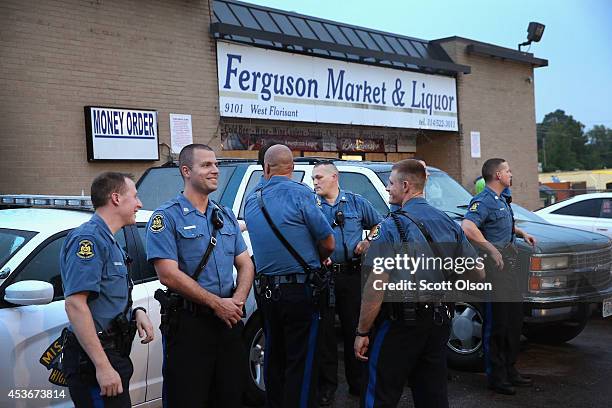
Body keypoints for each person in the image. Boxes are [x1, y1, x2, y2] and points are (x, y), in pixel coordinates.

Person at [354, 159, 482, 408]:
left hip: (400, 323)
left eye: (390, 184)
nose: (388, 189)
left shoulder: (391, 226)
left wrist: (362, 331)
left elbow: (376, 285)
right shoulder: (448, 222)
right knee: (432, 394)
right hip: (438, 323)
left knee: (379, 394)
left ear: (405, 185)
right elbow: (477, 272)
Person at [146, 144, 254, 407]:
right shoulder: (166, 217)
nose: (215, 170)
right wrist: (218, 304)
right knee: (188, 398)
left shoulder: (224, 215)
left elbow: (245, 264)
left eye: (215, 164)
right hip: (189, 326)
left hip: (228, 323)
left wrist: (237, 302)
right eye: (206, 165)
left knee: (230, 397)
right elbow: (168, 275)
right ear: (186, 171)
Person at [244, 144, 335, 408]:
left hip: (267, 293)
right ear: (292, 168)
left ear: (266, 168)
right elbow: (328, 241)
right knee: (302, 360)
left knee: (274, 356)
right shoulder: (300, 193)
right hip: (300, 290)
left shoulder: (253, 198)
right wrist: (316, 256)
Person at [60, 172, 154, 407]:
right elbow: (75, 304)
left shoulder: (109, 241)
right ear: (116, 198)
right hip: (93, 362)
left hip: (113, 353)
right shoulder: (88, 240)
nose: (139, 204)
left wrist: (136, 312)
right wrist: (103, 367)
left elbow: (106, 299)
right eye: (135, 196)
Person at [462, 158, 536, 395]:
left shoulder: (501, 200)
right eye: (507, 170)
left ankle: (510, 369)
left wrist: (522, 232)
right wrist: (491, 249)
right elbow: (468, 227)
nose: (510, 174)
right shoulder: (483, 201)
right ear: (496, 175)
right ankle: (496, 376)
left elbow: (499, 223)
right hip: (495, 266)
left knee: (514, 320)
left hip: (509, 266)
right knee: (498, 323)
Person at [311, 161, 383, 405]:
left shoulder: (355, 202)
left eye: (319, 177)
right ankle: (327, 386)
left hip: (352, 275)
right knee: (325, 334)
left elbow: (379, 224)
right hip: (324, 276)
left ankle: (359, 383)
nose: (315, 182)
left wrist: (368, 242)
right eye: (314, 178)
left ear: (335, 177)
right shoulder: (311, 204)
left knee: (357, 328)